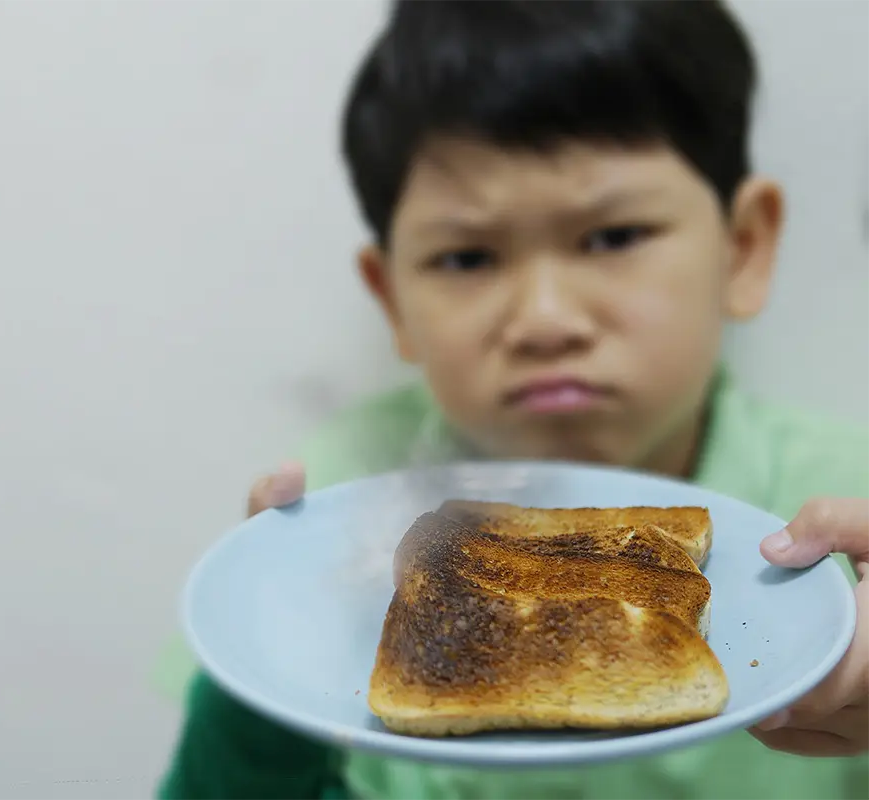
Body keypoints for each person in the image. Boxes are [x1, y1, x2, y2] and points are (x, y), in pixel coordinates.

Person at [155, 0, 869, 797]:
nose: (544, 320)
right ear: (391, 300)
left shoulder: (847, 521)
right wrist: (264, 675)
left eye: (611, 237)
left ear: (743, 250)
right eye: (467, 256)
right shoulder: (335, 503)